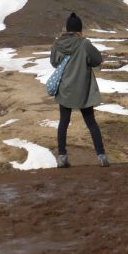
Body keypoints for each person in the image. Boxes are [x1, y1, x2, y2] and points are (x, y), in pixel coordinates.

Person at [50, 12, 110, 168]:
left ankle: (62, 157)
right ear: (79, 29)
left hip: (65, 89)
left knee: (63, 122)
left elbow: (53, 62)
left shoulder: (58, 44)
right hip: (83, 89)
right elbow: (97, 60)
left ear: (67, 28)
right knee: (91, 122)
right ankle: (101, 156)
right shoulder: (84, 44)